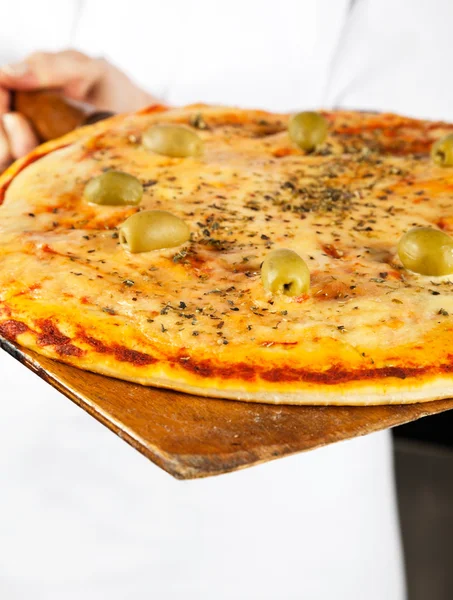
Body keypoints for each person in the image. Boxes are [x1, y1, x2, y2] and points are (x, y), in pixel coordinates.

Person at [5, 0, 444, 597]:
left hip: (285, 524)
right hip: (26, 495)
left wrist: (148, 124)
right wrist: (122, 136)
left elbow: (400, 159)